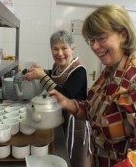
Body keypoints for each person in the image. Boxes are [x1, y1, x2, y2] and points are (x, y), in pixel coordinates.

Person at [49, 5, 136, 167]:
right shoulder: (110, 71)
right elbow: (94, 111)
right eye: (91, 40)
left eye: (101, 38)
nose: (94, 46)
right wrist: (67, 102)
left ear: (123, 35)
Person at [24, 30, 91, 167]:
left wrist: (42, 77)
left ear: (72, 49)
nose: (60, 53)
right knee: (61, 155)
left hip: (75, 123)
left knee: (74, 159)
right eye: (55, 49)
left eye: (64, 48)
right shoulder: (57, 66)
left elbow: (65, 94)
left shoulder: (79, 71)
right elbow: (55, 76)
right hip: (61, 118)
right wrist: (42, 71)